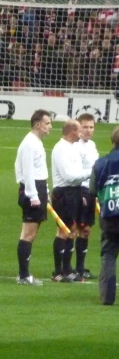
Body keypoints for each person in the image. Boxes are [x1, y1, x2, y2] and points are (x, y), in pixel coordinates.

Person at [50, 120, 92, 282]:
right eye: (80, 130)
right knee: (64, 230)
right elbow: (69, 176)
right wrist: (90, 173)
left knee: (73, 231)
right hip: (63, 193)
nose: (82, 133)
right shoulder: (60, 149)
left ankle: (67, 270)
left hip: (74, 191)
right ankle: (58, 272)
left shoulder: (73, 148)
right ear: (73, 132)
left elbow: (77, 173)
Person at [15, 110, 52, 285]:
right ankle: (23, 276)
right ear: (38, 124)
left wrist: (46, 190)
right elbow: (27, 171)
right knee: (28, 234)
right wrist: (33, 195)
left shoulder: (35, 142)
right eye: (47, 123)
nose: (50, 127)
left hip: (38, 188)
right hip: (32, 190)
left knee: (31, 233)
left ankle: (24, 274)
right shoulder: (30, 143)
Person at [90, 126, 119, 305]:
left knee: (108, 255)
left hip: (109, 216)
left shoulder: (101, 163)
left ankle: (107, 297)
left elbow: (92, 191)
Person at [76, 113, 99, 279]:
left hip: (91, 192)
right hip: (79, 191)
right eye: (85, 127)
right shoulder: (75, 147)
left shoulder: (92, 145)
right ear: (78, 127)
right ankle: (71, 268)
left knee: (86, 230)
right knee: (77, 229)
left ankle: (80, 267)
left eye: (91, 127)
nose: (88, 130)